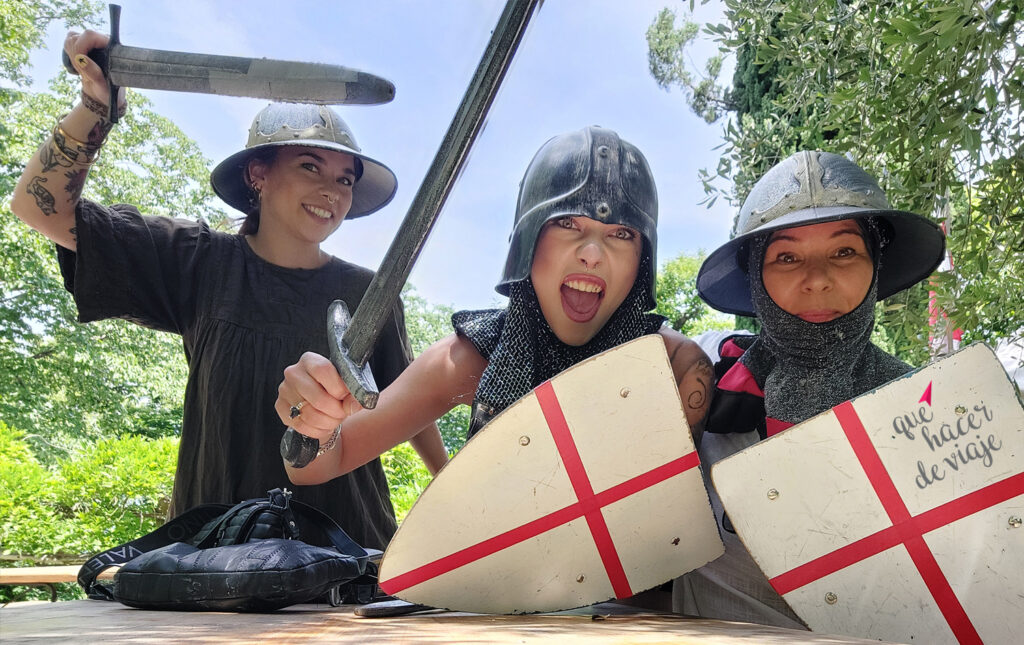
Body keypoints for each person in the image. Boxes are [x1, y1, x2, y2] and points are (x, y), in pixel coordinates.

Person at [9, 30, 447, 551]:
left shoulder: (369, 291)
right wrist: (95, 106)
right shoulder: (197, 260)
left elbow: (411, 401)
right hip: (217, 555)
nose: (333, 190)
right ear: (258, 174)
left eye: (346, 180)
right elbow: (39, 208)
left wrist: (450, 487)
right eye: (310, 166)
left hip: (345, 551)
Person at [275, 125, 713, 488]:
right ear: (528, 241)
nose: (593, 254)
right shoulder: (467, 359)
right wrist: (314, 426)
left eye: (621, 234)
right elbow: (320, 465)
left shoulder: (675, 367)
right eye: (566, 223)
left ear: (643, 259)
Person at [673, 150, 946, 627]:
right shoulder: (707, 392)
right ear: (755, 274)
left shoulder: (928, 412)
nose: (817, 280)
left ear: (875, 265)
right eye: (786, 257)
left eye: (844, 251)